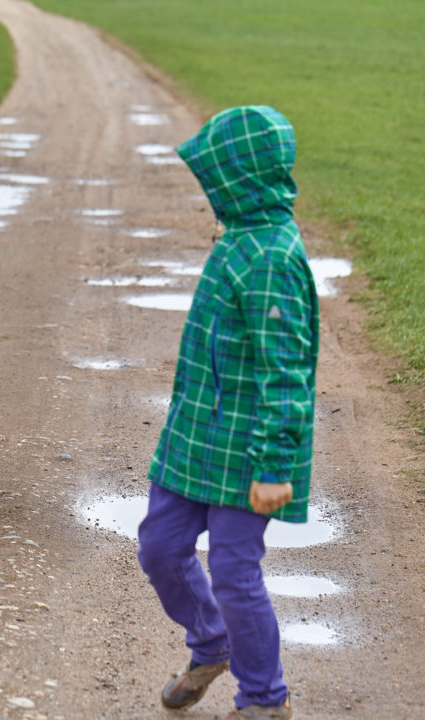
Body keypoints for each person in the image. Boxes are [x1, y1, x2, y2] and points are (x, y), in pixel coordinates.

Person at [137, 106, 319, 720]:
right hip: (195, 437)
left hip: (250, 451)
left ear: (241, 180)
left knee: (237, 574)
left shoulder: (270, 258)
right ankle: (211, 645)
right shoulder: (242, 236)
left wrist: (273, 466)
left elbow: (286, 375)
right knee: (160, 549)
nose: (209, 193)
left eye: (215, 180)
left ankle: (265, 701)